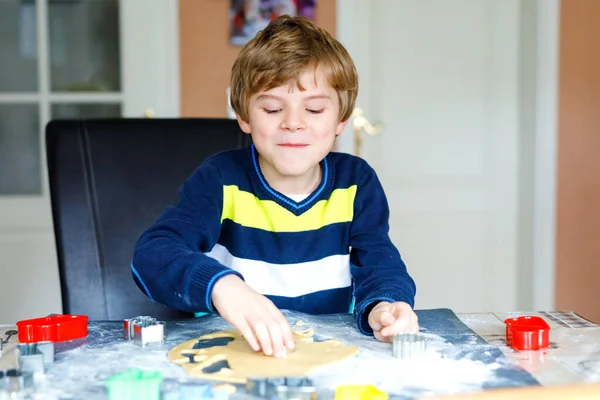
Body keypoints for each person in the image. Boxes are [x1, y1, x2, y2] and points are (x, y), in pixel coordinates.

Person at [132, 15, 417, 359]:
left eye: (313, 108)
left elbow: (381, 264)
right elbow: (152, 254)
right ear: (244, 116)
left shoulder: (356, 183)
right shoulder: (221, 179)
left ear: (341, 119)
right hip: (230, 354)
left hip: (321, 355)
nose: (293, 123)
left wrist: (386, 307)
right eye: (272, 108)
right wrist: (223, 286)